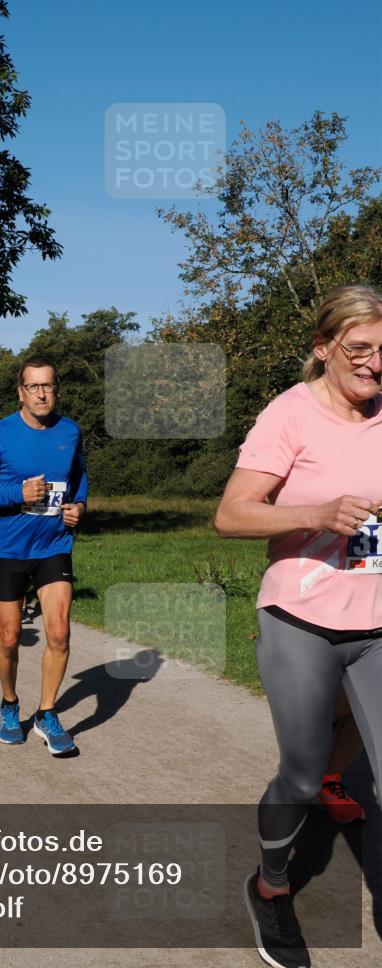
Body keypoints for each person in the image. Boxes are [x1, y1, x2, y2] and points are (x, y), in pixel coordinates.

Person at [214, 285, 382, 968]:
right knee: (306, 778)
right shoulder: (289, 414)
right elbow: (232, 514)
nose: (374, 365)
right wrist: (315, 512)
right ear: (324, 348)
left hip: (377, 620)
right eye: (360, 349)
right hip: (301, 616)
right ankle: (272, 888)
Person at [0, 356, 88, 756]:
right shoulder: (0, 434)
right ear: (21, 391)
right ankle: (9, 702)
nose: (41, 393)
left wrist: (79, 507)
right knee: (10, 636)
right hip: (10, 547)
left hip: (54, 544)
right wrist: (18, 494)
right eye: (33, 386)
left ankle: (47, 713)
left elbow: (79, 478)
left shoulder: (70, 432)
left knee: (59, 630)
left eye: (48, 385)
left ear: (57, 390)